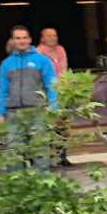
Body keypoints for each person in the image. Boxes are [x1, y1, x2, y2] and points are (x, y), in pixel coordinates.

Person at [0, 25, 58, 171]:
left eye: (24, 37)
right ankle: (18, 188)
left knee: (40, 150)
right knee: (13, 151)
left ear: (30, 39)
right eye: (18, 38)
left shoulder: (42, 60)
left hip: (37, 112)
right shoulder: (6, 63)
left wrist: (54, 108)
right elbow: (2, 90)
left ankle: (42, 186)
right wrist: (0, 113)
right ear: (12, 41)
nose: (22, 41)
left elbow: (52, 86)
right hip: (13, 114)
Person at [37, 26, 73, 166]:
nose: (53, 38)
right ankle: (48, 157)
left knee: (62, 126)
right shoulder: (38, 52)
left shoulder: (60, 50)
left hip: (61, 93)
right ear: (42, 38)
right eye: (49, 35)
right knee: (48, 126)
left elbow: (64, 70)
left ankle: (62, 156)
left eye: (55, 35)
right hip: (46, 94)